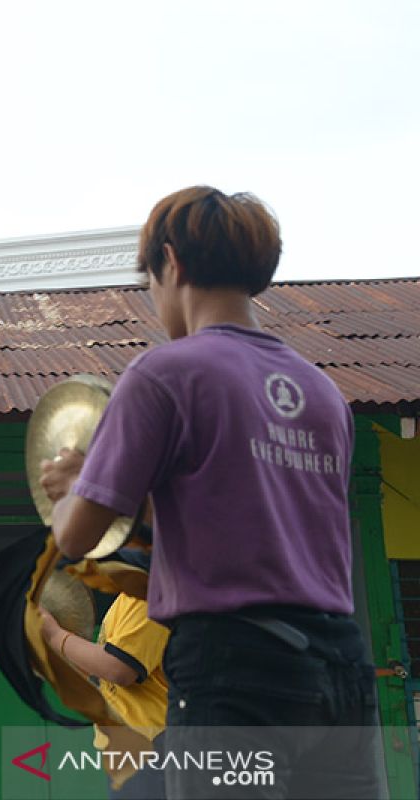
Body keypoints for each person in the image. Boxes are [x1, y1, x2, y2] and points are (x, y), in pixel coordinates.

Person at [39, 186, 381, 798]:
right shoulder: (322, 393)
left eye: (151, 282)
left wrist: (70, 485)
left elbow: (76, 535)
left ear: (171, 264)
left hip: (235, 669)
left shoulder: (166, 373)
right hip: (340, 667)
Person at [39, 586, 169, 799]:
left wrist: (55, 635)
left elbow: (119, 669)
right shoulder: (131, 597)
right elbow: (104, 669)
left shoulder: (149, 594)